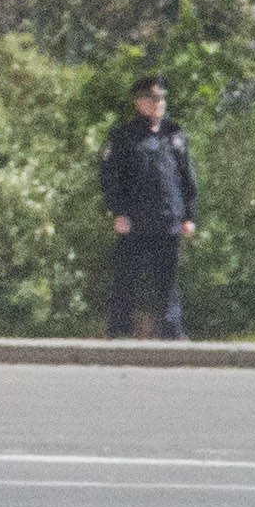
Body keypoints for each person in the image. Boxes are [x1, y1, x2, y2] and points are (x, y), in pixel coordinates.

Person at [100, 77, 198, 340]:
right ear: (139, 101)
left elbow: (187, 178)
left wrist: (189, 215)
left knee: (167, 281)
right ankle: (119, 333)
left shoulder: (175, 136)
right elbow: (110, 178)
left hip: (168, 220)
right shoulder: (123, 137)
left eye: (163, 98)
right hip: (134, 220)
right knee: (126, 278)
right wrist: (118, 212)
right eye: (154, 98)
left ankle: (173, 335)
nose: (159, 104)